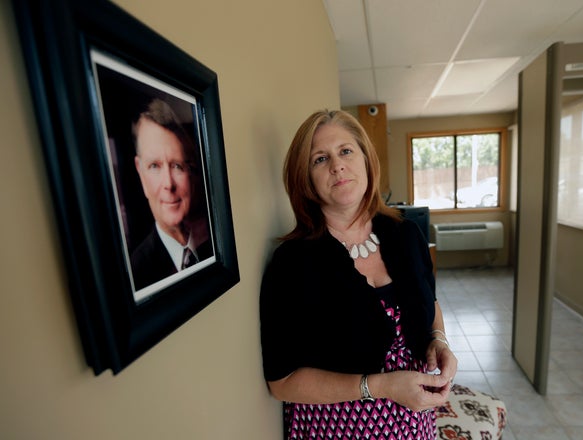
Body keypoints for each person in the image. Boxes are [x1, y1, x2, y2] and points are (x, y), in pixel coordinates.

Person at [260, 109, 457, 439]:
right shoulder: (292, 264)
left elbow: (430, 303)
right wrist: (380, 387)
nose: (337, 165)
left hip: (416, 425)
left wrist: (439, 340)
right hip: (337, 429)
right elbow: (282, 383)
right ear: (305, 178)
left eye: (346, 151)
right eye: (320, 159)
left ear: (366, 159)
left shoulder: (407, 236)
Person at [130, 98, 212, 291]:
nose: (168, 184)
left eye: (177, 166)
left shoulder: (213, 242)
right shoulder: (136, 273)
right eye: (154, 166)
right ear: (140, 172)